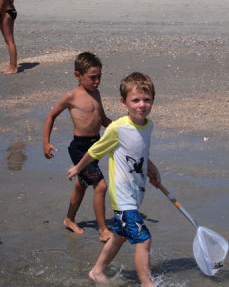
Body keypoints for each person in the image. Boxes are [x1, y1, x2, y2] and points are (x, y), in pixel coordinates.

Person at [67, 72, 161, 286]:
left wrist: (152, 170)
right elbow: (95, 151)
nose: (142, 105)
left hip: (137, 193)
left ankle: (97, 271)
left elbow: (141, 153)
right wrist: (77, 167)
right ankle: (147, 284)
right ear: (123, 102)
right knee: (143, 238)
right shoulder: (117, 128)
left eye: (147, 99)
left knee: (119, 235)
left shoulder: (148, 126)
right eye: (135, 100)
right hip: (122, 196)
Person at [43, 52, 112, 242]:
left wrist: (122, 129)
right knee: (101, 185)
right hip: (80, 149)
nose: (97, 81)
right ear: (77, 75)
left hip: (96, 145)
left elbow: (103, 119)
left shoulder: (96, 93)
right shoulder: (70, 97)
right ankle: (103, 230)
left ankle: (69, 219)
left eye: (99, 77)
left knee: (82, 184)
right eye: (92, 77)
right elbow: (51, 116)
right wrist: (46, 142)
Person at [0, 0, 17, 74]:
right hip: (12, 10)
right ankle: (12, 65)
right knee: (11, 40)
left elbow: (1, 0)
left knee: (9, 41)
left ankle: (13, 67)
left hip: (5, 13)